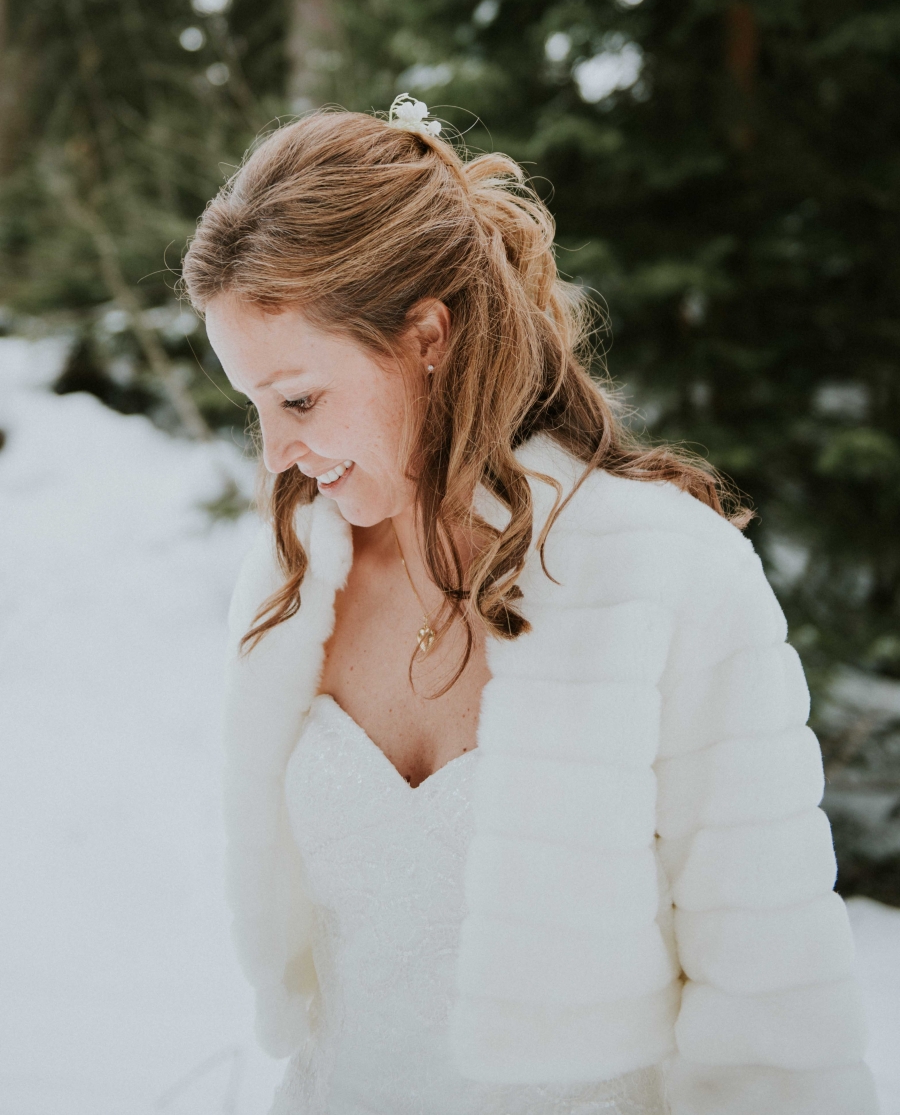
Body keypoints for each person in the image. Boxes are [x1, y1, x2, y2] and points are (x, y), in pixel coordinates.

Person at [181, 97, 878, 1115]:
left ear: (426, 335)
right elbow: (332, 1005)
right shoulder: (290, 585)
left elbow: (773, 1024)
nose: (277, 453)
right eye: (255, 407)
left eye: (298, 399)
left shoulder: (670, 580)